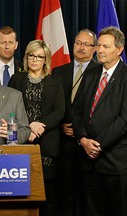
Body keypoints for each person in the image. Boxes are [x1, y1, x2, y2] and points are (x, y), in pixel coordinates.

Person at [72, 26, 127, 216]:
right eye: (98, 45)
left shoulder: (125, 76)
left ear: (119, 49)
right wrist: (83, 140)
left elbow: (124, 119)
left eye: (106, 46)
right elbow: (76, 110)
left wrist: (98, 145)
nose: (100, 50)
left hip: (115, 163)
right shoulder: (91, 73)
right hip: (88, 164)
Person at [8, 40, 65, 216]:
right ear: (26, 57)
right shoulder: (16, 79)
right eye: (31, 55)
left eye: (39, 57)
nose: (34, 60)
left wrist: (39, 128)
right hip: (19, 141)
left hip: (47, 145)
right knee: (20, 192)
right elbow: (8, 108)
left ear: (45, 60)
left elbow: (59, 111)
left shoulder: (55, 81)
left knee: (47, 195)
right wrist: (28, 127)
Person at [52, 29, 100, 215]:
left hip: (90, 143)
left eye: (86, 44)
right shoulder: (59, 71)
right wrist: (60, 124)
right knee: (65, 197)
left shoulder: (100, 72)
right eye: (78, 43)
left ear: (95, 48)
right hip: (64, 144)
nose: (81, 47)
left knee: (91, 199)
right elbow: (54, 105)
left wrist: (82, 132)